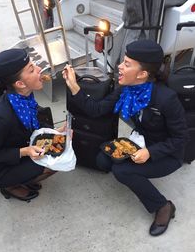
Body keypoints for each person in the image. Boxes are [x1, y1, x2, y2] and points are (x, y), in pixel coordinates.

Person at [63, 39, 189, 236]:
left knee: (122, 171)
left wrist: (150, 152)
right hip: (139, 140)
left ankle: (163, 206)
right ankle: (131, 171)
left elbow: (180, 139)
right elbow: (97, 110)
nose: (119, 67)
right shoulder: (126, 89)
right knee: (103, 160)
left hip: (166, 153)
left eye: (127, 64)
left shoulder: (166, 99)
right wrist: (74, 87)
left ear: (142, 74)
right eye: (123, 61)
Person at [0, 48, 65, 202]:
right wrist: (25, 151)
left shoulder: (24, 97)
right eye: (32, 70)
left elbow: (30, 129)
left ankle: (23, 178)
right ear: (20, 83)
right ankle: (9, 185)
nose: (39, 69)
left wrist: (55, 132)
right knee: (51, 164)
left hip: (17, 148)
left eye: (35, 65)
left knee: (59, 152)